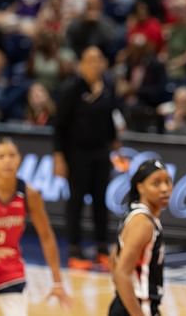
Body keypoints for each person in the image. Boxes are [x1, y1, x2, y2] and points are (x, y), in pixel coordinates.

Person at [0, 137, 71, 315]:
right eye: (1, 156)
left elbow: (46, 236)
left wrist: (58, 282)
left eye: (12, 155)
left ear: (19, 159)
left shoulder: (29, 194)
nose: (7, 160)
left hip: (7, 258)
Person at [53, 45, 120, 270]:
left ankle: (102, 248)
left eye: (98, 59)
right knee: (77, 202)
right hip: (76, 154)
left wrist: (115, 145)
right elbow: (59, 126)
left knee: (101, 202)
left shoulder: (108, 86)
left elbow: (110, 118)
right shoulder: (72, 89)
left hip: (101, 152)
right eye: (89, 60)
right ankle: (75, 250)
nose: (94, 64)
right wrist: (59, 157)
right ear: (81, 64)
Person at [109, 159, 172, 316]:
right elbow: (121, 273)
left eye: (168, 181)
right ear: (140, 187)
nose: (165, 188)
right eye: (156, 183)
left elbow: (113, 258)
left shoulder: (136, 214)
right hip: (135, 308)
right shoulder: (143, 223)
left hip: (133, 306)